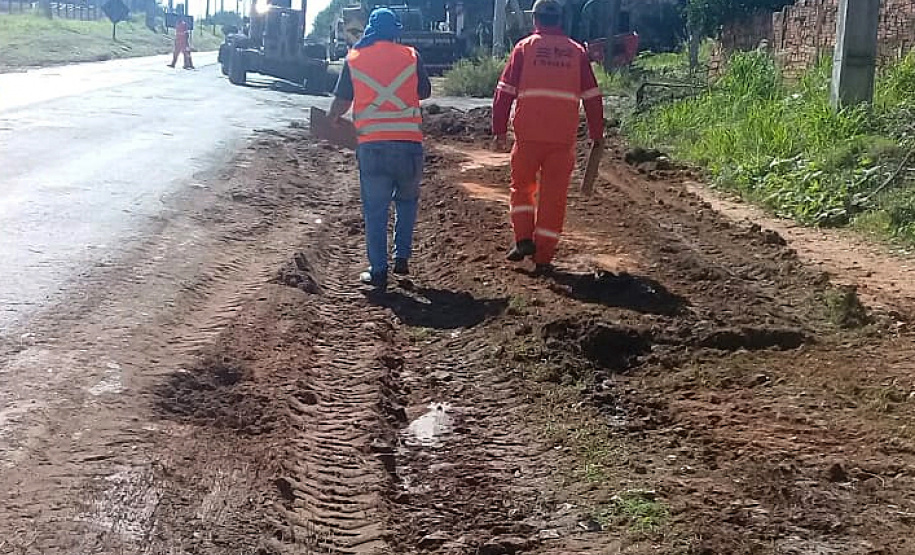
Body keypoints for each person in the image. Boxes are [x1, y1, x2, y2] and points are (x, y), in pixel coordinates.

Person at [492, 0, 604, 274]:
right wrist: (596, 133)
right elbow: (592, 97)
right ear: (560, 19)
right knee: (554, 198)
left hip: (528, 137)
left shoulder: (524, 48)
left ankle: (523, 239)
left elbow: (504, 92)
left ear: (536, 19)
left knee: (522, 188)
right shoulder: (577, 52)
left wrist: (498, 130)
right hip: (561, 140)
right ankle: (543, 257)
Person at [327, 8, 432, 290]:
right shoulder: (411, 56)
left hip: (372, 146)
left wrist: (332, 119)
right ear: (395, 30)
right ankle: (402, 256)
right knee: (407, 201)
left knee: (376, 210)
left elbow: (341, 101)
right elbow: (424, 92)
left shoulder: (355, 58)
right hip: (409, 144)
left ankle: (378, 270)